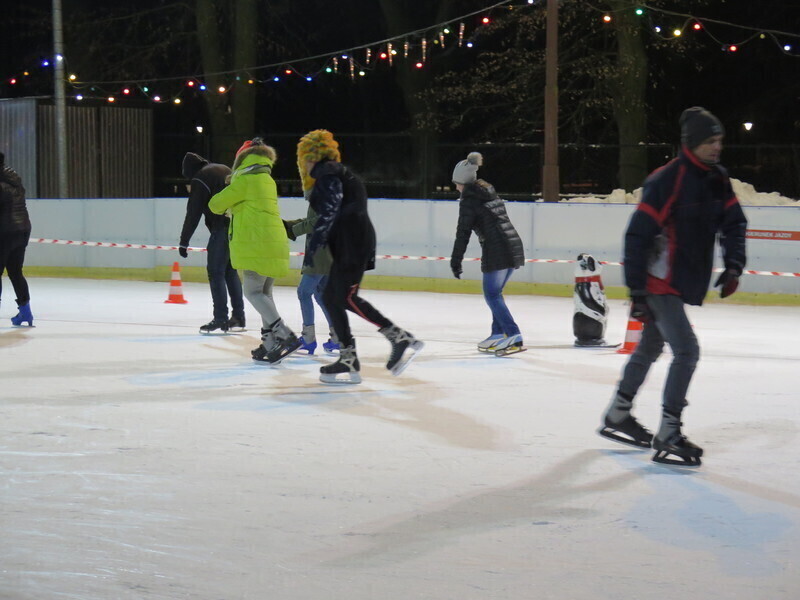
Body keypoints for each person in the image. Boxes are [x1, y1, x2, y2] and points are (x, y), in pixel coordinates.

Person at [598, 106, 747, 467]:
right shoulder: (667, 180)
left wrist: (733, 265)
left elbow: (734, 222)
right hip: (658, 281)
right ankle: (669, 430)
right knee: (687, 351)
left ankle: (618, 413)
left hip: (680, 281)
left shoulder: (717, 178)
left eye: (720, 141)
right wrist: (636, 291)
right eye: (710, 142)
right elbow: (637, 235)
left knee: (649, 346)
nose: (717, 148)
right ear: (692, 143)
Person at [297, 129, 423, 384]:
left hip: (352, 244)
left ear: (311, 156)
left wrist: (314, 247)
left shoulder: (327, 173)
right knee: (331, 297)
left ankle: (399, 337)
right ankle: (349, 357)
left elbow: (330, 210)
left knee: (342, 297)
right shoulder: (336, 171)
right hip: (351, 242)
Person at [209, 138, 300, 363]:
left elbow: (215, 204)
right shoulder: (266, 179)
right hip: (273, 241)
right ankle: (270, 342)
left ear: (242, 160)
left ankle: (284, 334)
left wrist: (230, 193)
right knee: (264, 293)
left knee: (252, 291)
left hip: (257, 243)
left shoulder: (245, 181)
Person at [449, 152, 525, 356]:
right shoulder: (488, 192)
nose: (456, 187)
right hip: (514, 247)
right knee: (496, 294)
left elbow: (462, 233)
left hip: (497, 250)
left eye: (457, 183)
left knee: (491, 294)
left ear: (463, 182)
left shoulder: (469, 200)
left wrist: (455, 261)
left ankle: (513, 334)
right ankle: (497, 334)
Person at [178, 152, 245, 334]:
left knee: (215, 272)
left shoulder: (200, 178)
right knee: (230, 271)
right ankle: (239, 317)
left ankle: (220, 318)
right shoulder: (223, 169)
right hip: (237, 226)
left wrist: (184, 242)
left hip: (221, 228)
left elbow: (193, 212)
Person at [283, 198, 340, 355]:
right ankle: (338, 338)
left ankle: (308, 339)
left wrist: (293, 230)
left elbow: (319, 221)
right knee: (322, 295)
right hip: (326, 250)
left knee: (304, 292)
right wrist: (288, 225)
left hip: (320, 253)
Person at [0, 152, 33, 327]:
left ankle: (25, 312)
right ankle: (26, 312)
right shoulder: (13, 177)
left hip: (5, 232)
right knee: (15, 272)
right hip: (22, 228)